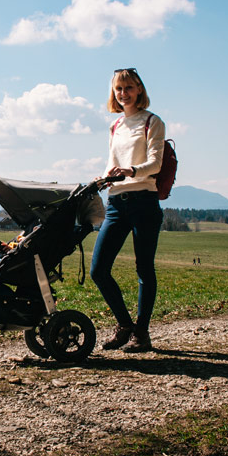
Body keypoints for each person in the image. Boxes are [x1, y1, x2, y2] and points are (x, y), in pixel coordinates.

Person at [91, 68, 165, 352]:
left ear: (139, 89)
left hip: (143, 201)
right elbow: (112, 162)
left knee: (144, 268)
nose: (124, 94)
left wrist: (131, 170)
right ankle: (124, 325)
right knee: (99, 270)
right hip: (116, 203)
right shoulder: (116, 126)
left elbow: (155, 164)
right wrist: (103, 177)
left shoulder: (152, 122)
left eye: (129, 88)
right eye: (119, 89)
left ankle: (141, 334)